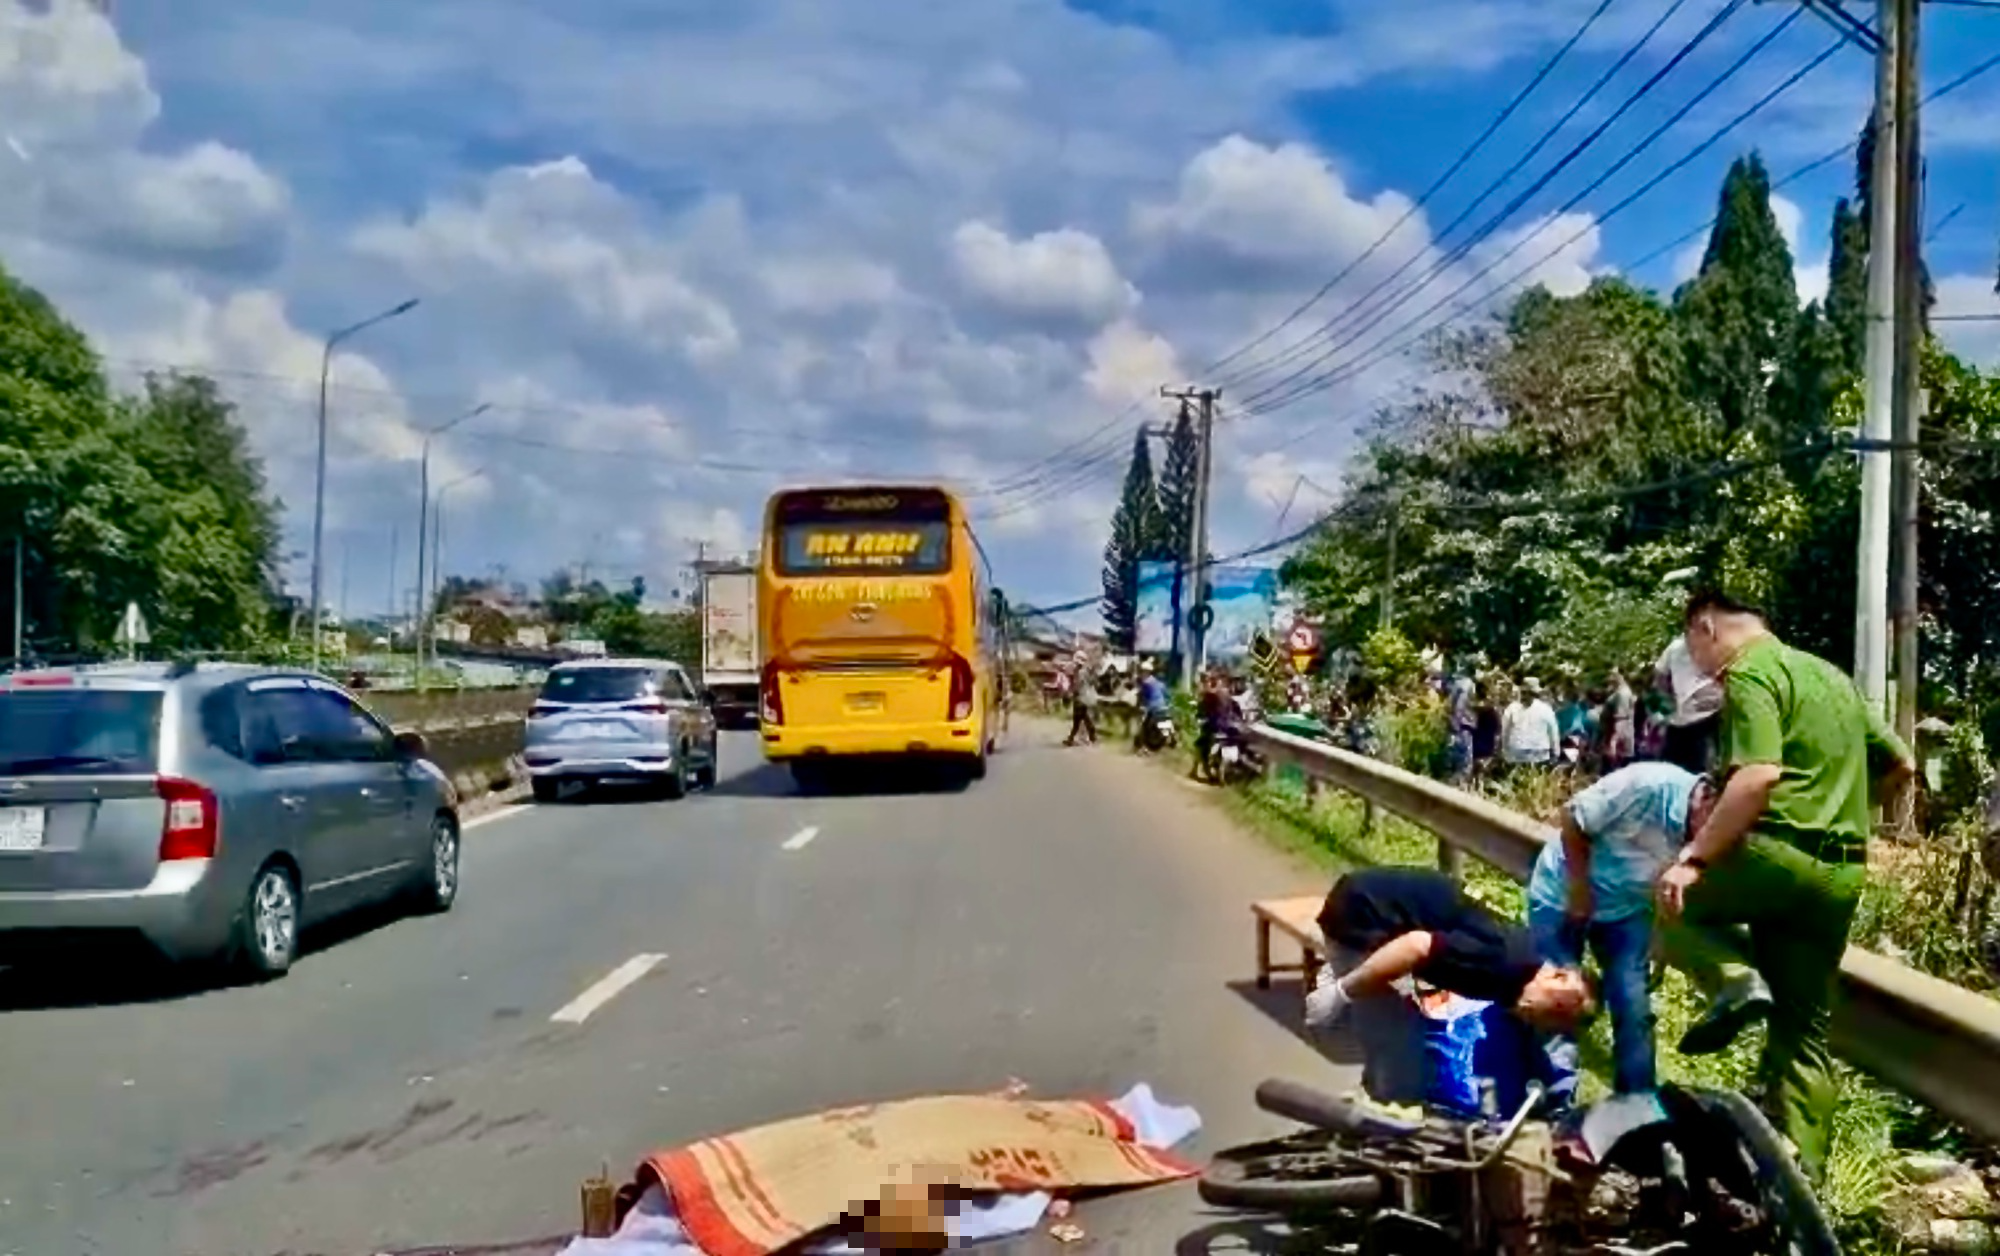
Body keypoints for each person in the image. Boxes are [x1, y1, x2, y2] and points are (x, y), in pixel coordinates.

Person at [1656, 589, 1915, 1183]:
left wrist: (1693, 859)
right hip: (1840, 871)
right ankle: (1803, 1188)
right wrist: (1847, 808)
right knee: (1803, 1031)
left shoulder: (1750, 672)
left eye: (1691, 645)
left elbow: (1758, 776)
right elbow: (1901, 764)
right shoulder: (1832, 677)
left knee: (1665, 902)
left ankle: (1732, 980)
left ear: (1706, 627)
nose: (1695, 660)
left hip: (1775, 855)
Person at [1527, 763, 1716, 1095]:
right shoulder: (1647, 786)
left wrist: (1658, 937)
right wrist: (1579, 889)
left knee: (1633, 1006)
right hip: (1563, 892)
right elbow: (1573, 818)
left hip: (1625, 910)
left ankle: (1637, 1106)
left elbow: (1668, 889)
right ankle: (1551, 1098)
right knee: (1558, 999)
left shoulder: (1717, 837)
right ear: (1707, 799)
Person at [1307, 865, 1596, 1036]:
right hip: (1365, 910)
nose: (1547, 1024)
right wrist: (1342, 992)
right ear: (1557, 976)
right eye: (1557, 1010)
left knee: (1405, 1034)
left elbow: (1452, 958)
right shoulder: (1502, 960)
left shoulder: (1526, 967)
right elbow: (1417, 944)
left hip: (1380, 904)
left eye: (1559, 1025)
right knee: (1387, 1036)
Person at [1656, 635, 1723, 774]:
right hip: (1707, 714)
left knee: (1674, 770)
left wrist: (1670, 698)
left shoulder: (1675, 646)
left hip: (1688, 716)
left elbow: (1660, 676)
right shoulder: (1718, 643)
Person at [1500, 677, 1560, 769]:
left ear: (1533, 694)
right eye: (1523, 693)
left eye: (1526, 693)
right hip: (1518, 753)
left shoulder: (1545, 709)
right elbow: (1505, 731)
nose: (1523, 696)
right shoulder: (1512, 708)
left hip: (1538, 754)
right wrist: (1505, 750)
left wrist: (1555, 751)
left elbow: (1553, 732)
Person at [1600, 670, 1637, 771]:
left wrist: (1613, 741)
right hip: (1614, 734)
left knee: (1613, 769)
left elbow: (1621, 717)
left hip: (1618, 737)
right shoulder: (1619, 692)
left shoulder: (1622, 694)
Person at [1447, 665, 1478, 780]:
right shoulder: (1468, 684)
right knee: (1464, 762)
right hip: (1463, 726)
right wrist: (1457, 723)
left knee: (1451, 758)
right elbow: (1461, 705)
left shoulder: (1457, 683)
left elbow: (1449, 704)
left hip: (1454, 726)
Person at [1133, 661, 1170, 752]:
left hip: (1153, 708)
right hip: (1163, 707)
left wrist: (1141, 706)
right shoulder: (1158, 683)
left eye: (1142, 671)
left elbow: (1144, 697)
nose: (1142, 673)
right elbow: (1167, 695)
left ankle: (1143, 748)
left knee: (1143, 726)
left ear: (1146, 672)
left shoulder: (1146, 683)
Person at [1063, 664, 1099, 746]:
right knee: (1081, 719)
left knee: (1080, 719)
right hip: (1083, 699)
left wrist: (1071, 693)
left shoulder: (1080, 674)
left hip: (1080, 699)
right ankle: (1073, 738)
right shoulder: (1083, 673)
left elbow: (1077, 687)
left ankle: (1091, 737)